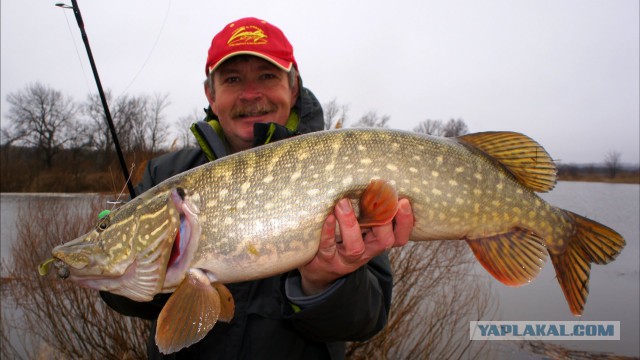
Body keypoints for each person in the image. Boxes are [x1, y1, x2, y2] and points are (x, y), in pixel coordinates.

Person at [100, 17, 414, 360]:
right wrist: (129, 262)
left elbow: (367, 318)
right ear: (211, 93)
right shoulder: (166, 175)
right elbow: (124, 299)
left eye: (267, 76)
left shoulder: (347, 166)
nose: (251, 94)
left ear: (292, 87)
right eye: (233, 79)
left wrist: (323, 283)